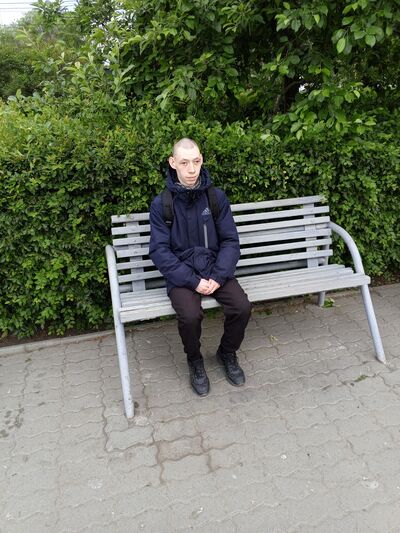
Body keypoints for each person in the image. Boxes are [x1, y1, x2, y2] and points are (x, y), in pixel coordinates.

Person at [149, 138, 251, 396]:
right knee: (190, 316)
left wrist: (218, 275)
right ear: (173, 163)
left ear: (202, 159)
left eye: (196, 161)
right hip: (182, 276)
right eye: (184, 163)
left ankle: (227, 353)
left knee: (241, 307)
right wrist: (192, 281)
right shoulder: (162, 204)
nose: (192, 169)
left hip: (215, 269)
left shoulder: (215, 198)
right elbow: (160, 251)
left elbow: (230, 241)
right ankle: (195, 360)